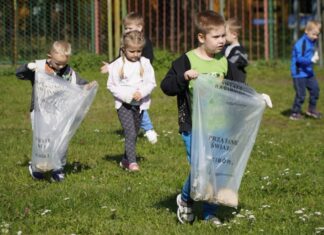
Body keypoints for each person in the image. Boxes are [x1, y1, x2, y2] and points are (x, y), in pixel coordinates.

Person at [16, 40, 97, 181]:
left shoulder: (68, 72)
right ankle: (37, 167)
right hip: (40, 112)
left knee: (61, 141)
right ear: (49, 55)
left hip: (60, 113)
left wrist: (87, 86)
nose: (60, 67)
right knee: (43, 141)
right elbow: (19, 74)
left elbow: (79, 84)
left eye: (63, 64)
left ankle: (58, 168)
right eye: (57, 63)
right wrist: (29, 67)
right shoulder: (39, 66)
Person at [102, 12, 158, 144]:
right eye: (125, 28)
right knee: (129, 106)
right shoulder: (127, 42)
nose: (126, 31)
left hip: (138, 81)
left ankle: (149, 130)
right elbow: (121, 59)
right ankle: (131, 133)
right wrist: (111, 66)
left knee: (139, 106)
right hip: (127, 80)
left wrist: (141, 72)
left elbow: (148, 60)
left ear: (139, 27)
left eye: (129, 28)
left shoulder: (143, 42)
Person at [107, 30, 156, 172]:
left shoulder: (145, 63)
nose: (135, 54)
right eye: (132, 51)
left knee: (134, 132)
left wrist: (142, 93)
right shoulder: (117, 65)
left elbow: (151, 83)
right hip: (124, 105)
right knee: (130, 132)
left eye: (139, 51)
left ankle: (125, 159)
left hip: (140, 105)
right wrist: (127, 96)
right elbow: (111, 86)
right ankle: (133, 163)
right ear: (124, 49)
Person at [290, 20, 322, 120]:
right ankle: (295, 113)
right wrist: (311, 60)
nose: (316, 37)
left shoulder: (312, 41)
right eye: (314, 34)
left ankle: (311, 110)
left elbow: (311, 52)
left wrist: (315, 55)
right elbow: (299, 59)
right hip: (299, 72)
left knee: (315, 90)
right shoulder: (301, 43)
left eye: (317, 35)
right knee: (301, 94)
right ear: (306, 31)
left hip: (308, 71)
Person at [224, 18, 248, 83]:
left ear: (234, 35)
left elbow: (238, 61)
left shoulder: (239, 50)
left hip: (236, 83)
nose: (223, 37)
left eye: (225, 35)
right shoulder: (225, 47)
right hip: (227, 82)